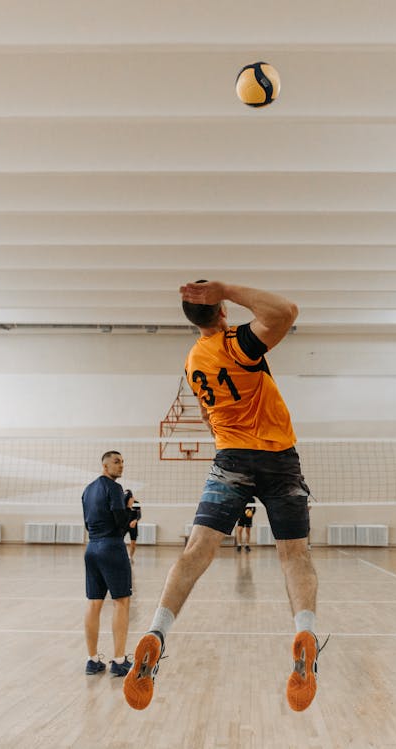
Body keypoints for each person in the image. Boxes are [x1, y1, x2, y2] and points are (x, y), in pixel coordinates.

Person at [124, 281, 324, 713]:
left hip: (230, 457)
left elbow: (212, 420)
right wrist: (227, 290)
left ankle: (157, 632)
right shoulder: (236, 345)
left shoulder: (194, 360)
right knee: (295, 555)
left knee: (197, 550)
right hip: (279, 458)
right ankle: (304, 631)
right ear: (220, 314)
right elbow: (285, 310)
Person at [82, 450, 133, 677]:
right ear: (105, 466)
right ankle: (120, 660)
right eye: (116, 462)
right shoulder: (114, 488)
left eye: (122, 462)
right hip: (111, 547)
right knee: (121, 602)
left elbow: (87, 521)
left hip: (91, 548)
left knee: (94, 603)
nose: (121, 465)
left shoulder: (87, 490)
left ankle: (92, 660)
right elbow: (121, 522)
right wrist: (131, 513)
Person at [124, 490, 142, 562]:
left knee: (133, 542)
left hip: (133, 526)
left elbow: (139, 515)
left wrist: (135, 521)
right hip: (124, 525)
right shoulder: (123, 503)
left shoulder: (136, 503)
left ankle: (130, 556)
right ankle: (122, 555)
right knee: (119, 541)